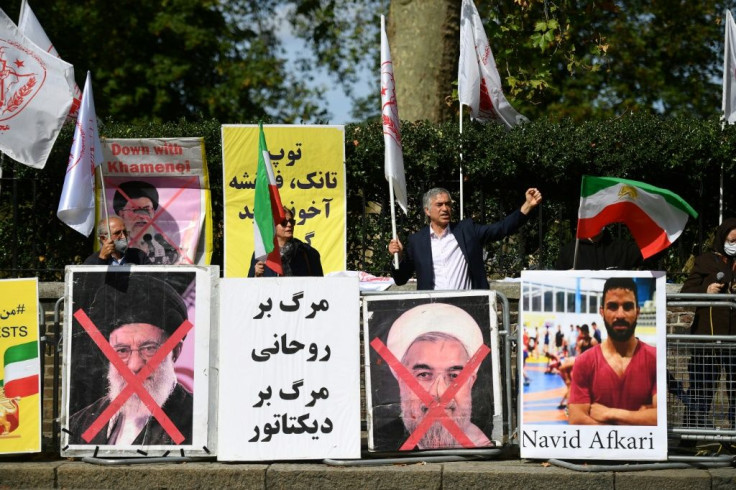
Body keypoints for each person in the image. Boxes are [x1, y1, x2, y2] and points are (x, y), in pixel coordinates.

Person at [68, 274, 193, 445]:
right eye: (121, 351)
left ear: (175, 351)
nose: (134, 366)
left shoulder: (198, 421)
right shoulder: (79, 425)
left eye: (149, 349)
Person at [372, 303, 492, 450]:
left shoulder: (484, 446)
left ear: (470, 381)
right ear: (401, 379)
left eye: (454, 376)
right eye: (423, 374)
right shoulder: (384, 443)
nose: (440, 393)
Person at [388, 187, 542, 290]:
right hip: (432, 310)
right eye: (439, 205)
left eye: (448, 204)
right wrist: (399, 257)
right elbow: (400, 279)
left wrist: (527, 206)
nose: (445, 209)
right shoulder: (417, 241)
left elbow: (501, 229)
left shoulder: (467, 231)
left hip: (467, 308)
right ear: (427, 211)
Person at [568, 277, 657, 425]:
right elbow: (577, 420)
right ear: (602, 312)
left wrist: (610, 413)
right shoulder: (584, 362)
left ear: (638, 312)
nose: (620, 315)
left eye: (628, 307)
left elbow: (660, 418)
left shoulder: (654, 358)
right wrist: (638, 418)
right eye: (613, 307)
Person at [681, 218, 736, 427]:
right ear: (722, 239)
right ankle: (692, 437)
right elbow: (685, 293)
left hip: (734, 338)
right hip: (708, 338)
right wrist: (707, 289)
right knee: (701, 387)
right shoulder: (705, 261)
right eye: (732, 240)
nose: (734, 244)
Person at [113, 181, 180, 265]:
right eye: (135, 210)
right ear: (121, 214)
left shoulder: (167, 251)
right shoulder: (115, 251)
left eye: (146, 209)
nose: (142, 216)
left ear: (153, 213)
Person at [248, 208, 323, 277]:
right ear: (273, 226)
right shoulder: (261, 254)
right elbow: (248, 288)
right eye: (284, 222)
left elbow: (318, 285)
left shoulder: (307, 252)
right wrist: (256, 275)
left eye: (291, 222)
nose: (289, 225)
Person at [555, 227, 643, 270]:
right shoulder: (568, 252)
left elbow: (653, 251)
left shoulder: (622, 249)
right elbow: (555, 287)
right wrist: (566, 277)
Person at [83, 217, 147, 265]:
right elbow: (89, 281)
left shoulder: (139, 256)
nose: (124, 236)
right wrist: (102, 259)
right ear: (103, 238)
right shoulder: (92, 261)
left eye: (124, 232)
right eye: (117, 233)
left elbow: (152, 280)